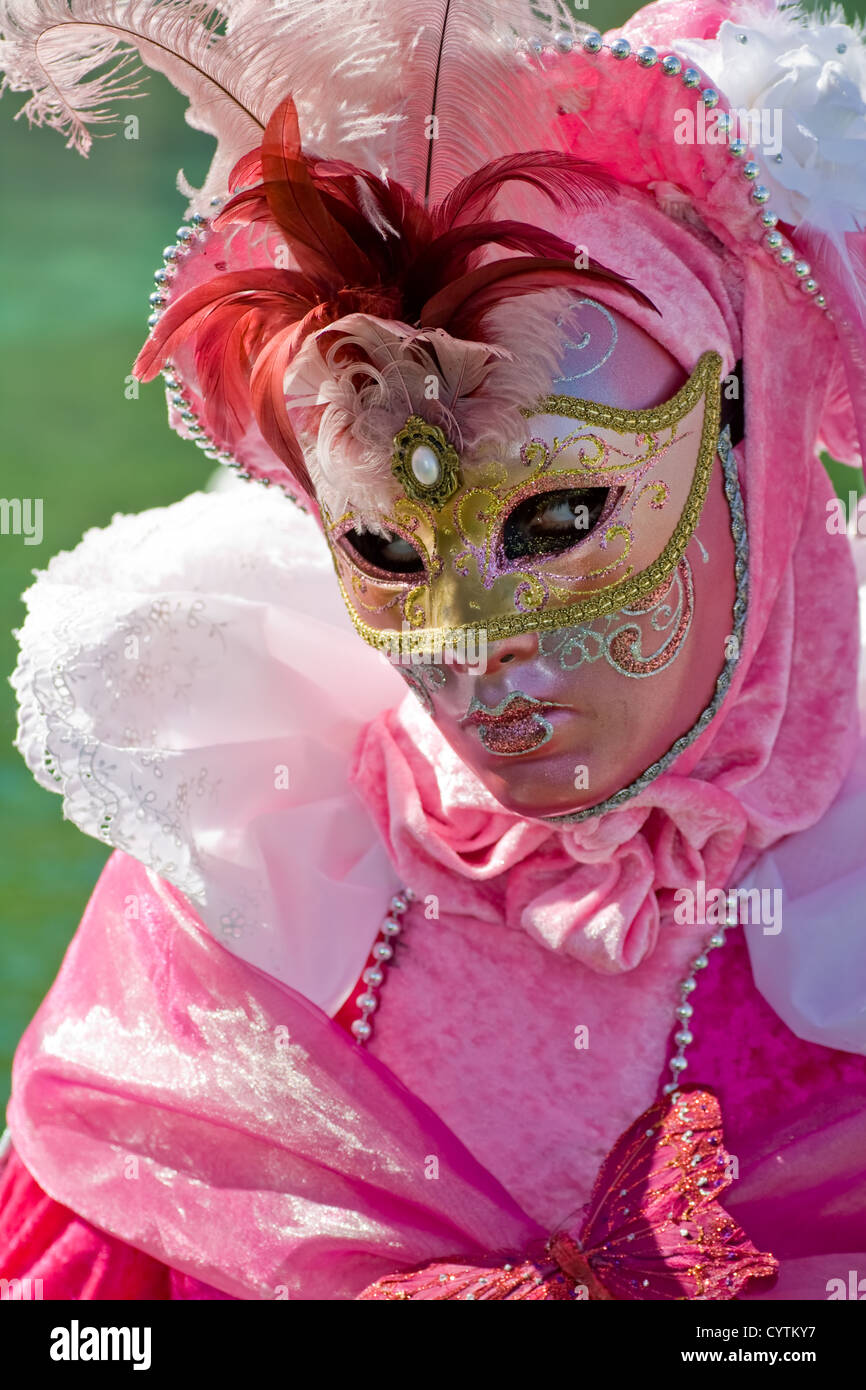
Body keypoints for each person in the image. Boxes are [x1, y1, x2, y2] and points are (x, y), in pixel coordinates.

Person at [1, 0, 865, 1301]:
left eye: (561, 515)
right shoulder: (249, 893)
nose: (474, 654)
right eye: (390, 552)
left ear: (749, 450)